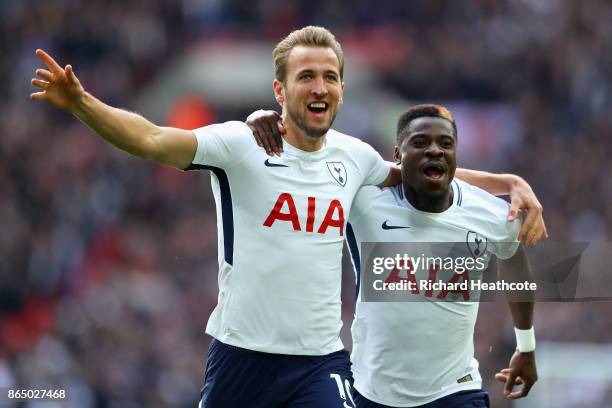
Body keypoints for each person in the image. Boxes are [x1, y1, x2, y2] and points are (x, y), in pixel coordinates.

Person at [31, 26, 543, 407]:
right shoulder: (239, 144)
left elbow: (424, 170)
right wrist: (81, 103)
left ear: (342, 90)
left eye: (330, 77)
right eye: (306, 77)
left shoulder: (355, 158)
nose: (319, 87)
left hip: (319, 363)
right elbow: (149, 139)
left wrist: (508, 184)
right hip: (240, 356)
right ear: (280, 91)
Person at [344, 104, 537, 407]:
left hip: (455, 393)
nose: (434, 150)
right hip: (373, 394)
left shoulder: (491, 215)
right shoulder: (366, 202)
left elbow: (514, 261)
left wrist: (526, 346)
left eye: (445, 144)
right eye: (420, 143)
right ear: (397, 155)